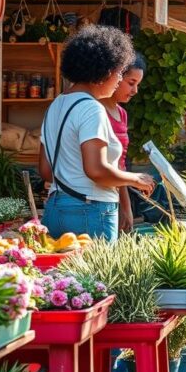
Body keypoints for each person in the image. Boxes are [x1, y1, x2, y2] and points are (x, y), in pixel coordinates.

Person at [38, 25, 155, 241]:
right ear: (105, 71)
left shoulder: (56, 105)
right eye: (119, 73)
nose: (119, 80)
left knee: (59, 274)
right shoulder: (92, 109)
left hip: (55, 209)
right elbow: (96, 170)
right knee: (94, 276)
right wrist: (135, 178)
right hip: (91, 211)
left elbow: (46, 170)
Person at [99, 53, 146, 232]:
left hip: (114, 195)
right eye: (131, 83)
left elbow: (120, 164)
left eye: (137, 85)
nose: (135, 91)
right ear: (114, 76)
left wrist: (125, 207)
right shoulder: (95, 110)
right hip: (96, 199)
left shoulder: (122, 113)